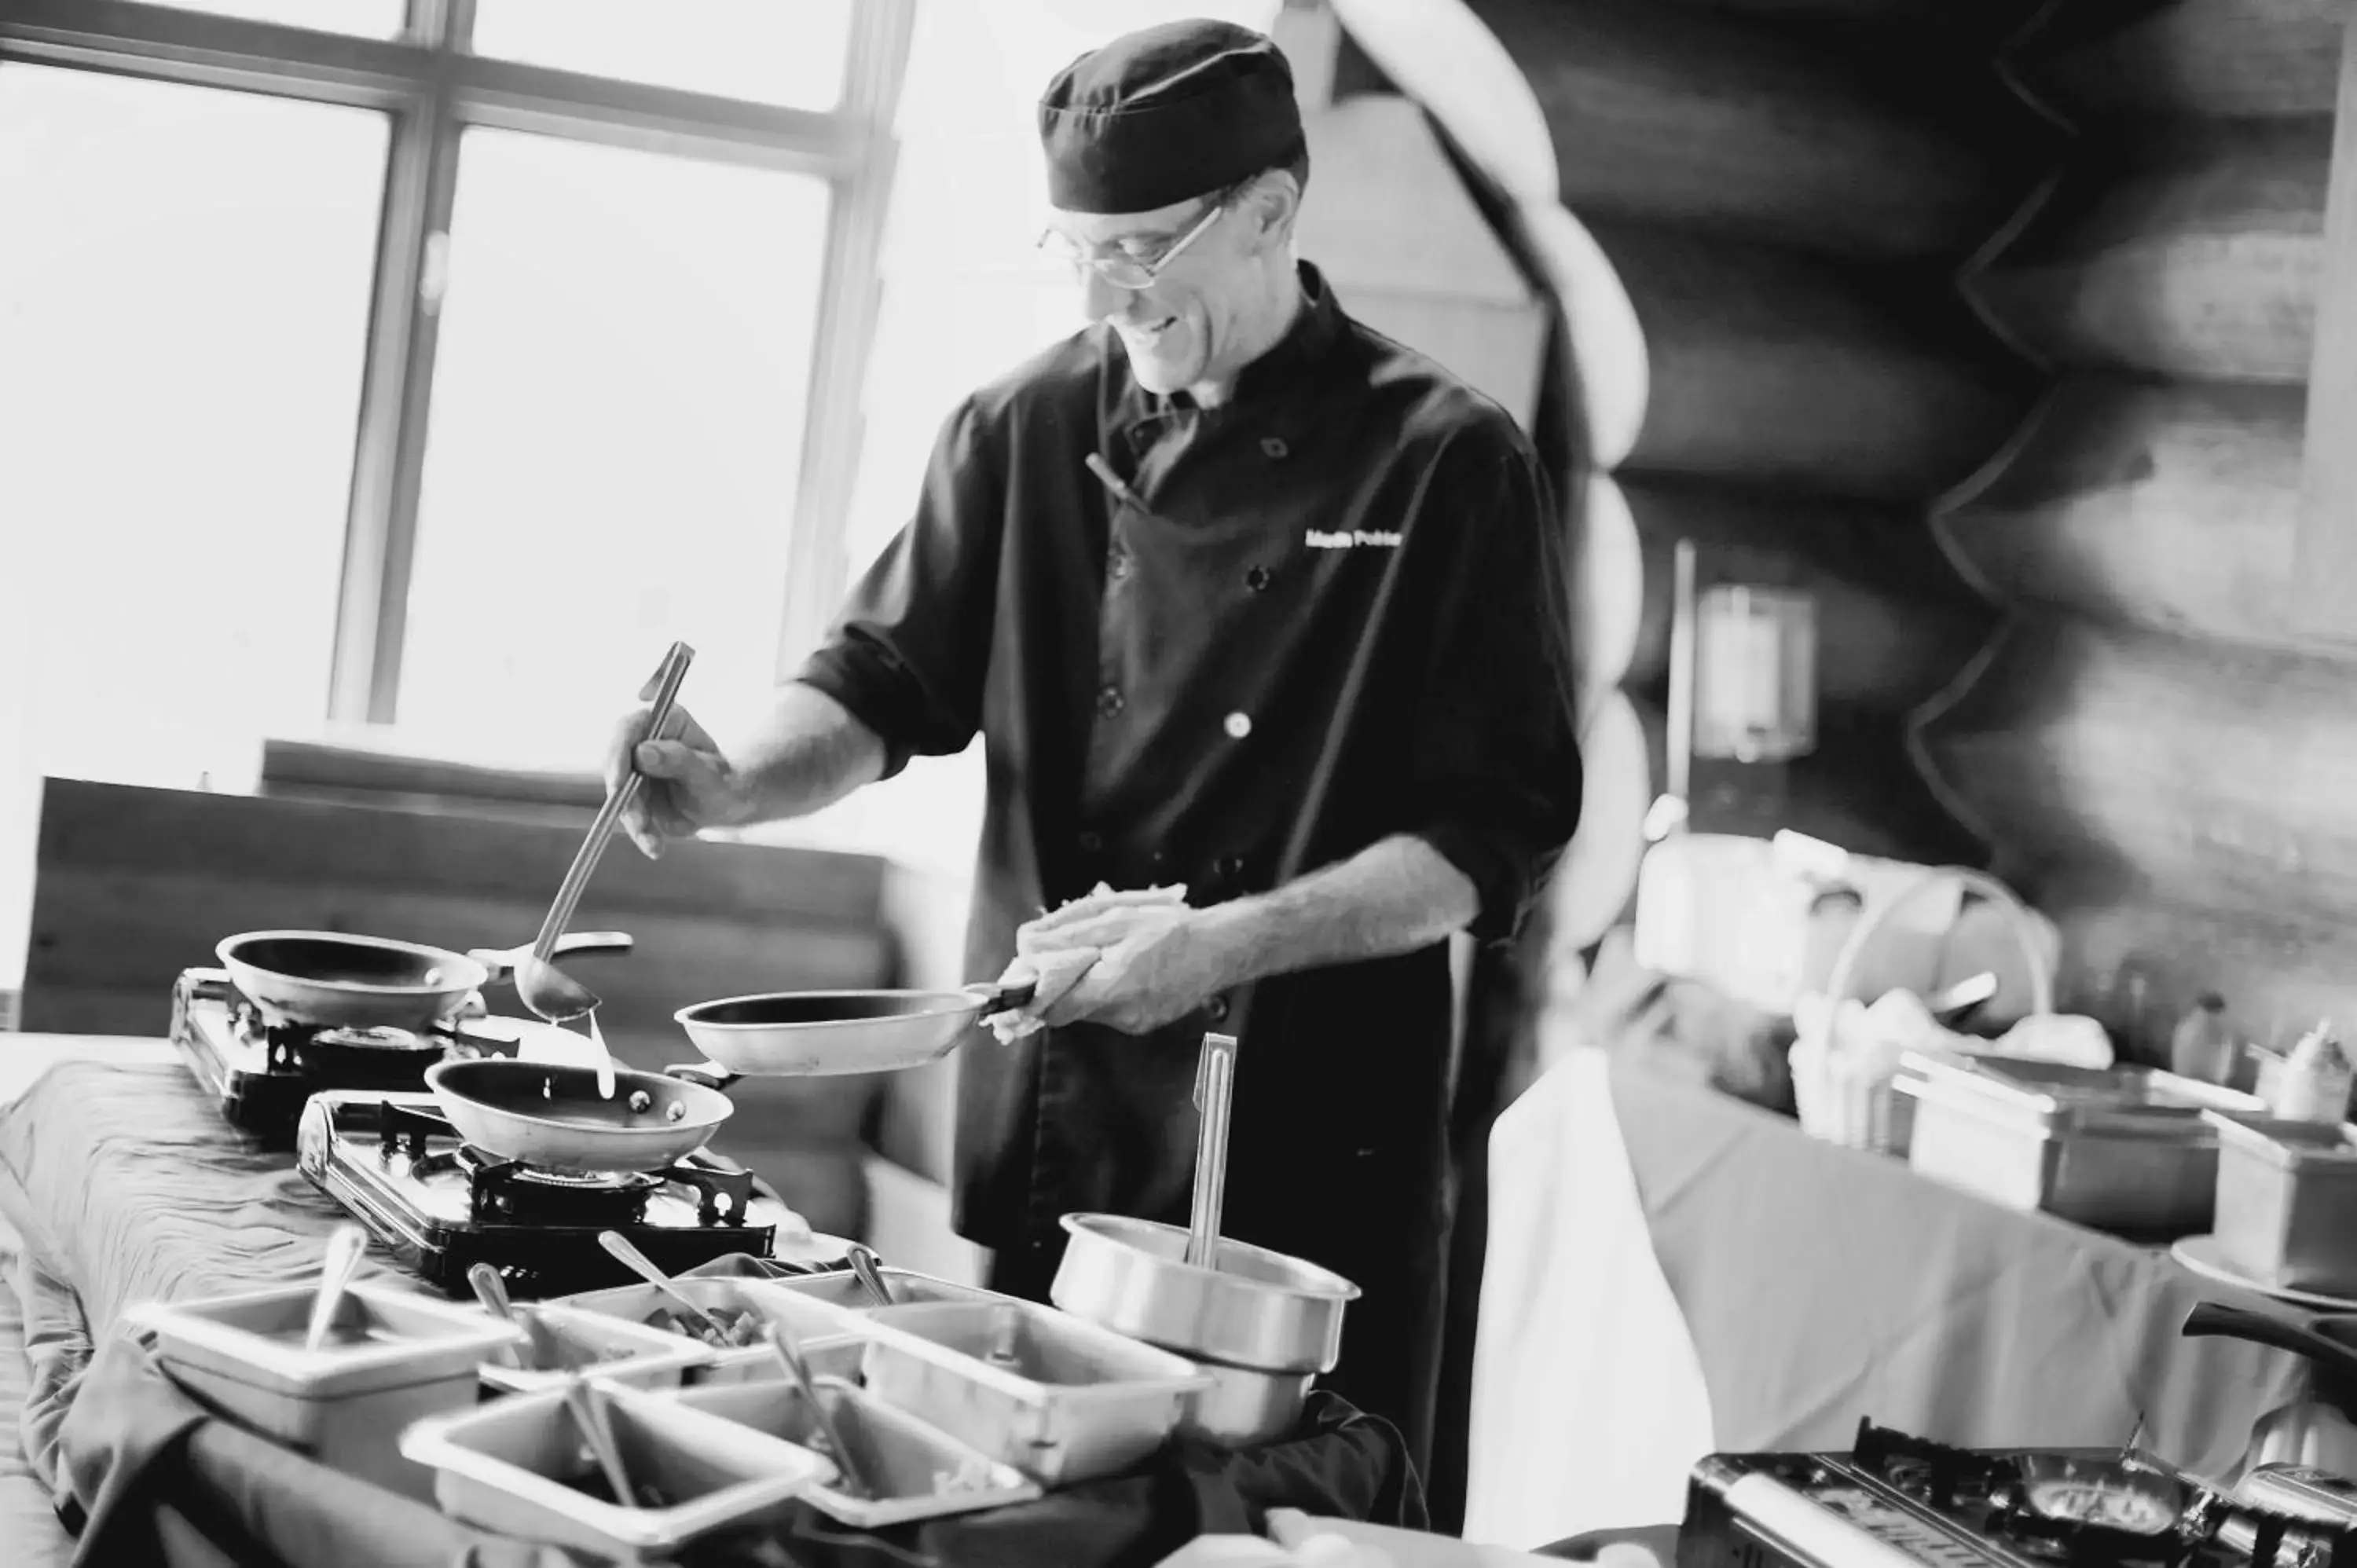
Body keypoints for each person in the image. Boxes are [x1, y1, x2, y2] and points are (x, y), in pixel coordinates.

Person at [606, 18, 1582, 1468]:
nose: (1110, 291)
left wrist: (1222, 945)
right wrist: (737, 780)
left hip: (1319, 1169)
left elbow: (1483, 841)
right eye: (1078, 250)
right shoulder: (1021, 425)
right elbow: (878, 686)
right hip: (1068, 1137)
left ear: (1267, 211)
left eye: (1144, 248)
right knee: (1023, 1515)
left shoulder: (1444, 460)